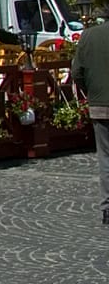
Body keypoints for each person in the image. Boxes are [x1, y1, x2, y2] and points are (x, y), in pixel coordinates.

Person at [72, 15, 109, 225]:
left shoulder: (89, 35)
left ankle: (107, 208)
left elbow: (77, 72)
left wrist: (91, 93)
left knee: (105, 159)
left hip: (100, 106)